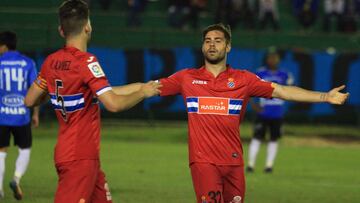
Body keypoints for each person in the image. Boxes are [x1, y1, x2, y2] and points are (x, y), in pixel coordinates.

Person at [156, 23, 349, 203]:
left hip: (233, 161)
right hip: (203, 161)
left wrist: (325, 96)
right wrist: (125, 93)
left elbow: (282, 91)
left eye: (218, 40)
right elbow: (145, 88)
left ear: (228, 47)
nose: (212, 45)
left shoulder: (244, 79)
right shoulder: (187, 78)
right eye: (208, 41)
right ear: (202, 47)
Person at [24, 0, 161, 202]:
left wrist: (141, 86)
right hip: (80, 156)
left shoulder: (51, 61)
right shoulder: (86, 62)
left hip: (73, 153)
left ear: (61, 30)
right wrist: (142, 95)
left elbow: (29, 100)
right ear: (88, 27)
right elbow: (113, 103)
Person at [0, 31, 39, 200]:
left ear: (3, 46)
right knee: (25, 149)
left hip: (1, 116)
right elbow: (35, 90)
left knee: (1, 152)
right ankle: (16, 178)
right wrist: (35, 113)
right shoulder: (28, 63)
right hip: (22, 115)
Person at [247, 50, 294, 174]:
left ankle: (269, 165)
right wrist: (253, 104)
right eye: (270, 58)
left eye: (275, 58)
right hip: (263, 112)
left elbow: (291, 90)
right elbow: (249, 89)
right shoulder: (260, 72)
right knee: (257, 137)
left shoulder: (285, 74)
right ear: (266, 59)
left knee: (273, 139)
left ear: (279, 60)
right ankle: (250, 165)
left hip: (277, 113)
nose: (273, 60)